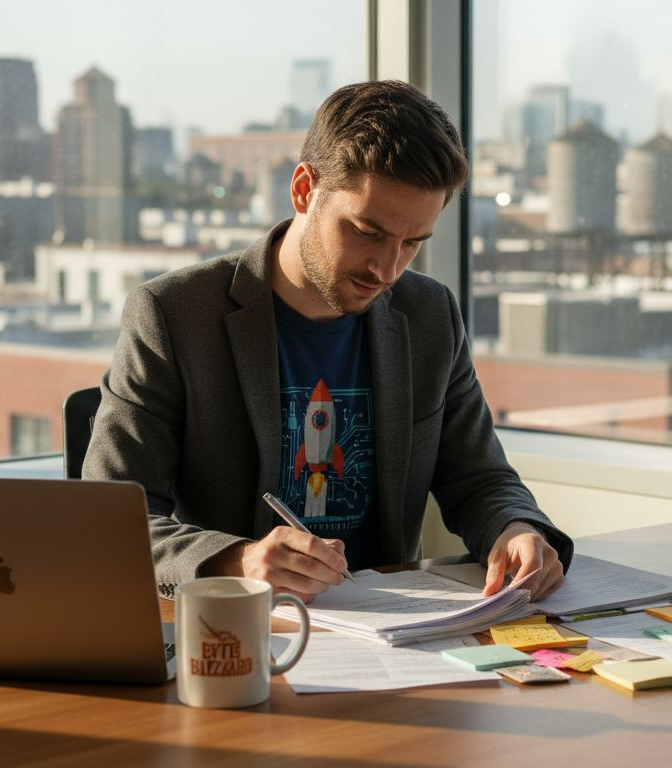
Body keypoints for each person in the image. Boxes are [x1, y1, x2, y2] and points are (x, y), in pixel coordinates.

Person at [84, 80, 572, 603]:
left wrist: (517, 530)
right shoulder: (175, 315)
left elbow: (479, 478)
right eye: (367, 231)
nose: (387, 269)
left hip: (392, 632)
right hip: (238, 635)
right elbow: (108, 517)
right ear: (303, 190)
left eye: (412, 243)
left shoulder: (429, 314)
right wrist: (238, 560)